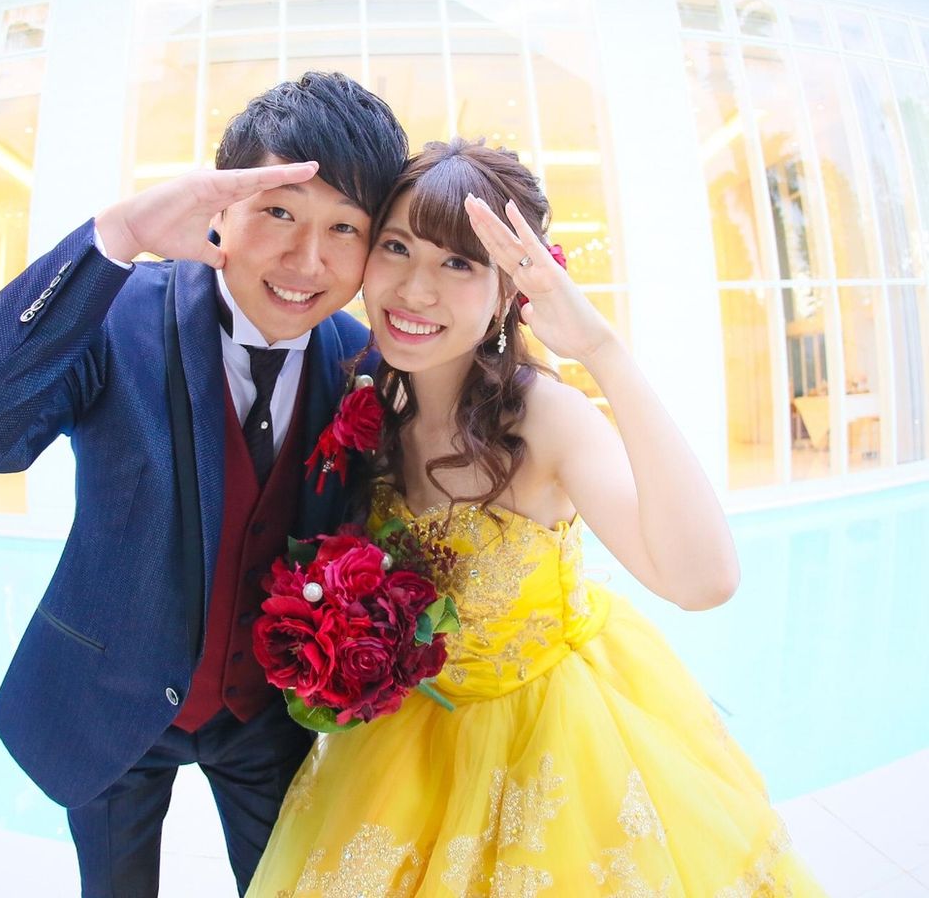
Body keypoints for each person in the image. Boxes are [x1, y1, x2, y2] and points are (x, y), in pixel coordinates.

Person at [248, 138, 823, 896]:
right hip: (404, 748)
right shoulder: (368, 396)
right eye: (397, 247)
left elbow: (704, 581)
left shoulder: (544, 418)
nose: (415, 290)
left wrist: (602, 351)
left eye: (459, 263)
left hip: (552, 743)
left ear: (507, 290)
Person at [0, 72, 408, 896]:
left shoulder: (366, 362)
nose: (306, 260)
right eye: (278, 212)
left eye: (344, 228)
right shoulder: (116, 312)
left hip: (266, 718)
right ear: (221, 209)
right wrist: (119, 235)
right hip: (110, 702)